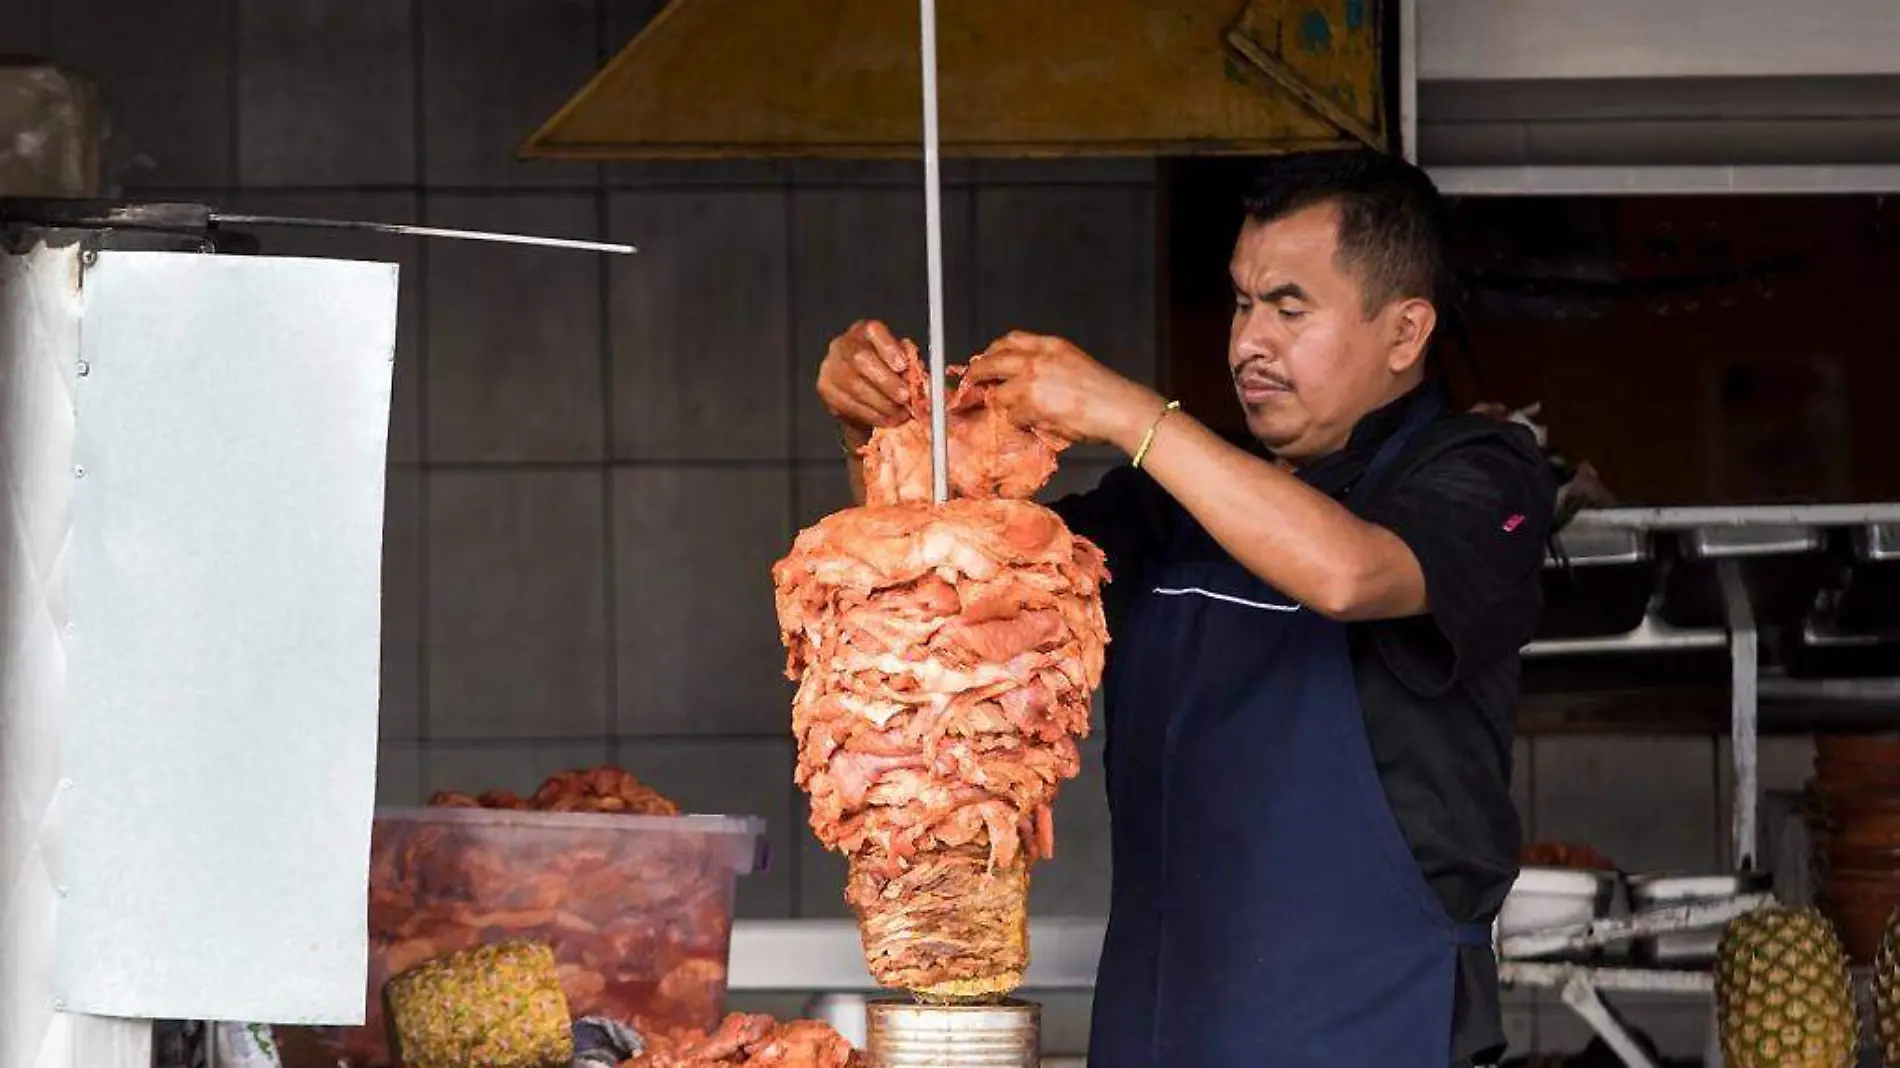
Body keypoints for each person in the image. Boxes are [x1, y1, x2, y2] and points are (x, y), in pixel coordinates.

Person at [814, 149, 1556, 1068]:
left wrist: (1132, 415)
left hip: (1374, 1031)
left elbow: (1349, 574)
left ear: (1404, 333)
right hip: (1163, 1028)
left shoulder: (1476, 473)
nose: (1249, 341)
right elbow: (957, 597)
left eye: (1291, 308)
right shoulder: (1172, 507)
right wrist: (877, 435)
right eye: (1244, 304)